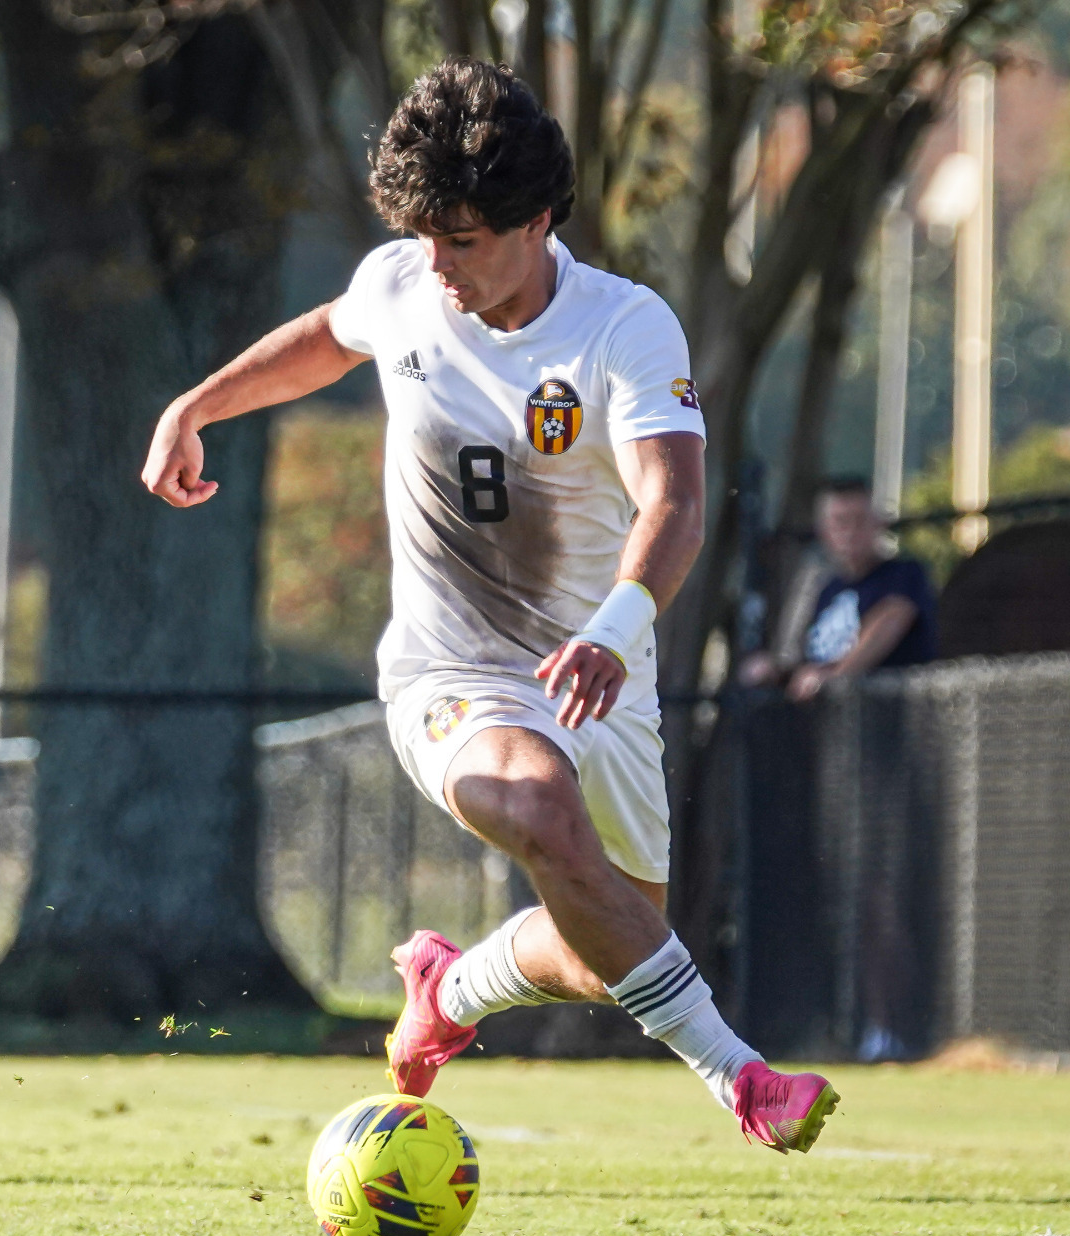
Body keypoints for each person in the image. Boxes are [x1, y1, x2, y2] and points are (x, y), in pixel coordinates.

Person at [142, 58, 837, 1152]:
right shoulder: (406, 283)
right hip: (447, 671)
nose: (437, 264)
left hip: (598, 671)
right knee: (535, 800)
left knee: (611, 944)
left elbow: (676, 501)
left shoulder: (624, 327)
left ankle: (447, 988)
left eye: (459, 239)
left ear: (537, 219)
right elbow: (330, 334)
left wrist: (612, 627)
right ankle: (738, 1074)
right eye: (423, 237)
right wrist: (197, 404)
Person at [739, 476, 938, 701]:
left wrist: (835, 677)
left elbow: (891, 619)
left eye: (860, 520)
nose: (851, 532)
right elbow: (807, 661)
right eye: (841, 521)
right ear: (824, 530)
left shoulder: (904, 574)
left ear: (879, 523)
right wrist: (775, 670)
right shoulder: (825, 589)